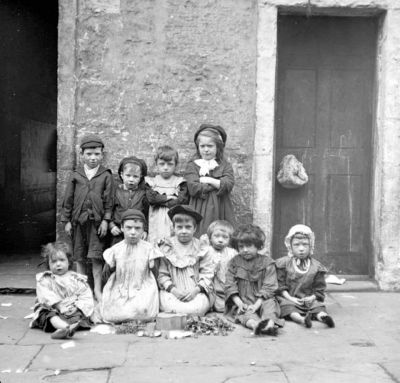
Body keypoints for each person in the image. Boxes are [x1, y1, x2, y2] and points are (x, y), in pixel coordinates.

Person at [61, 134, 113, 302]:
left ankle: (97, 289)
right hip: (78, 223)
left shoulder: (106, 176)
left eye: (97, 154)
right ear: (82, 154)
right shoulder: (76, 175)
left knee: (96, 257)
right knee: (80, 257)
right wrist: (67, 221)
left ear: (102, 155)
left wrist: (106, 220)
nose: (93, 158)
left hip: (97, 224)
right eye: (89, 154)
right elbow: (68, 199)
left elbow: (109, 201)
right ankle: (82, 291)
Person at [100, 209, 163, 323]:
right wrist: (111, 267)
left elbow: (156, 275)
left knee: (143, 310)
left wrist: (152, 266)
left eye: (137, 228)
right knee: (113, 314)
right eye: (129, 228)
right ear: (122, 228)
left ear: (143, 230)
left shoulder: (149, 249)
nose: (133, 232)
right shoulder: (115, 250)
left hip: (142, 288)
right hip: (121, 289)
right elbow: (105, 277)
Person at [225, 224, 283, 336]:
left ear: (258, 246)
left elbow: (269, 287)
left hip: (262, 299)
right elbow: (229, 285)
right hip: (243, 300)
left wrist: (256, 305)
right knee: (243, 313)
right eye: (241, 247)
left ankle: (269, 325)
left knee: (270, 306)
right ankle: (254, 325)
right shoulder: (233, 263)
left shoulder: (268, 263)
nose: (245, 250)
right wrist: (240, 303)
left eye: (249, 246)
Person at [30, 242, 94, 339]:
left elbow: (84, 294)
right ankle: (65, 328)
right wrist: (59, 306)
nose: (58, 264)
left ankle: (69, 327)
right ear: (48, 264)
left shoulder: (76, 279)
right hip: (52, 308)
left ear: (69, 261)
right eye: (54, 261)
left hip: (71, 309)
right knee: (49, 315)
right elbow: (45, 296)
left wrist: (76, 307)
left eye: (62, 260)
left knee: (79, 315)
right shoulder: (45, 279)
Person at [157, 205, 214, 316]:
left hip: (196, 292)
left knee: (198, 308)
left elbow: (207, 273)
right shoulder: (167, 247)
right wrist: (173, 290)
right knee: (169, 306)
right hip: (173, 292)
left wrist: (195, 291)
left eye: (188, 227)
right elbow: (162, 274)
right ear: (173, 228)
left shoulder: (201, 247)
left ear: (195, 228)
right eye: (179, 227)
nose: (184, 231)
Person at [275, 224, 335, 329]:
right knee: (287, 307)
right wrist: (291, 298)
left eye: (305, 244)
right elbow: (280, 286)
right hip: (288, 298)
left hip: (308, 299)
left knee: (318, 306)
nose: (301, 249)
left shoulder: (316, 266)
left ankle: (323, 317)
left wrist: (312, 297)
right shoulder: (283, 263)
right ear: (290, 246)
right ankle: (301, 319)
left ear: (310, 245)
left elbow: (319, 289)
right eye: (297, 245)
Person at [185, 124, 235, 237]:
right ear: (198, 147)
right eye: (202, 146)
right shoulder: (192, 166)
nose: (206, 150)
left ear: (218, 147)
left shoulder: (224, 165)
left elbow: (228, 184)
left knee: (221, 235)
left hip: (221, 207)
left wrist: (207, 180)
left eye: (210, 146)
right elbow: (194, 188)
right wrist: (217, 183)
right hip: (199, 207)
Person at [146, 145, 188, 244]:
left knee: (172, 242)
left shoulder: (179, 182)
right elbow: (151, 199)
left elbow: (180, 201)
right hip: (156, 219)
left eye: (170, 164)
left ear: (176, 165)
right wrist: (168, 197)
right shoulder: (152, 182)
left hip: (172, 217)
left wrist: (160, 200)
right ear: (156, 164)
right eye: (162, 164)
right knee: (155, 242)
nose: (165, 167)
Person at [109, 156, 149, 245]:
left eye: (135, 176)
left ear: (141, 177)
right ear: (122, 175)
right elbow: (109, 209)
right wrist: (111, 226)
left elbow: (146, 213)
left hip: (136, 231)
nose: (131, 180)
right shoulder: (115, 192)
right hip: (118, 231)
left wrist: (145, 230)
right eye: (128, 175)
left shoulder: (143, 194)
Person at [201, 220, 237, 313]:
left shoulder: (231, 252)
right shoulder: (207, 250)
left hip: (226, 284)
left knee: (229, 304)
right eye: (216, 236)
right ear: (210, 237)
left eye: (225, 237)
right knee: (218, 306)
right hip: (212, 286)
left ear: (229, 240)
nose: (220, 240)